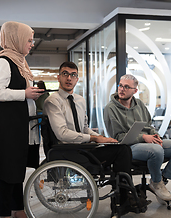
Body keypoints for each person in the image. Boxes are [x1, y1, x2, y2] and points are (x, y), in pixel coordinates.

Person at [43, 61, 140, 209]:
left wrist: (103, 139)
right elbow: (62, 134)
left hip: (84, 149)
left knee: (122, 148)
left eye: (73, 75)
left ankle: (123, 196)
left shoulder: (80, 100)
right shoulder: (52, 101)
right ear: (58, 77)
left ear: (77, 79)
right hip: (66, 151)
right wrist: (94, 138)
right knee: (121, 152)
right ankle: (124, 200)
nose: (69, 78)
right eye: (65, 74)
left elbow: (84, 128)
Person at [0, 21, 44, 218]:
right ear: (16, 39)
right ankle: (2, 214)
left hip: (18, 127)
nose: (31, 44)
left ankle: (18, 209)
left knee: (16, 171)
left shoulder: (19, 61)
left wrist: (30, 93)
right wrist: (24, 94)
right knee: (8, 173)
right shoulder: (4, 61)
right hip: (8, 129)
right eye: (28, 40)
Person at [103, 74, 171, 203]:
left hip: (147, 142)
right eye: (120, 86)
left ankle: (161, 180)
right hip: (126, 148)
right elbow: (118, 138)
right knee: (156, 150)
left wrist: (155, 136)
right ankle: (157, 183)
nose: (122, 89)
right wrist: (144, 137)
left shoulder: (138, 104)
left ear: (135, 91)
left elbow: (148, 125)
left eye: (126, 87)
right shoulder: (110, 108)